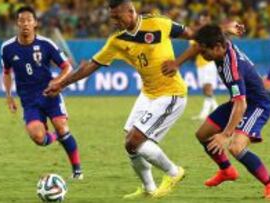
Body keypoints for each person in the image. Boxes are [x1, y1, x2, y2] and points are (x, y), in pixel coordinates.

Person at [45, 0, 191, 198]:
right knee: (130, 144)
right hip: (148, 93)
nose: (114, 21)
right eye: (111, 17)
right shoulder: (117, 40)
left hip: (171, 93)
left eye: (117, 17)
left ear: (130, 11)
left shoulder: (158, 23)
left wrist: (179, 61)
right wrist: (62, 84)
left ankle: (174, 172)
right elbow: (91, 65)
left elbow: (194, 35)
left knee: (136, 141)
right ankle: (149, 189)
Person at [162, 25, 270, 200]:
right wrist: (176, 63)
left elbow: (241, 104)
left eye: (206, 52)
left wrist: (225, 134)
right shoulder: (219, 41)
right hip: (240, 101)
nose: (203, 55)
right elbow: (199, 44)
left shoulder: (231, 68)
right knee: (203, 134)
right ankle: (227, 170)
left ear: (218, 47)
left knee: (235, 146)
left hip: (255, 105)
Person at [1, 6, 83, 179]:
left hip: (50, 94)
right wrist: (8, 96)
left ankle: (77, 171)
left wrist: (57, 81)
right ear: (17, 23)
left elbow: (67, 67)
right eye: (22, 20)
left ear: (35, 23)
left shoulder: (46, 44)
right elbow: (6, 73)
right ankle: (56, 136)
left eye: (29, 20)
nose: (25, 24)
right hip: (29, 100)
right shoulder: (7, 48)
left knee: (62, 126)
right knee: (38, 138)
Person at [190, 11, 218, 120]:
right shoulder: (197, 33)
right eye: (202, 19)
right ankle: (214, 108)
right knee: (205, 89)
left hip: (209, 63)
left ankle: (205, 113)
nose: (204, 21)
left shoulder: (212, 33)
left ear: (209, 20)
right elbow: (193, 48)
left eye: (206, 19)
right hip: (200, 64)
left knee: (208, 87)